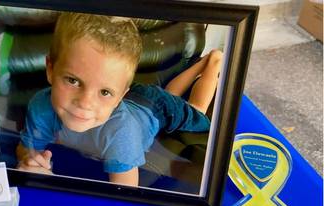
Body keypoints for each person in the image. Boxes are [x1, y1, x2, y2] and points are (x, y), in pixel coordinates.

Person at [16, 12, 222, 186]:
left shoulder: (122, 134)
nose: (85, 103)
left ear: (119, 97)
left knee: (196, 110)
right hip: (130, 96)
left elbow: (124, 193)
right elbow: (27, 147)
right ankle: (201, 63)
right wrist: (30, 160)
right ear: (50, 70)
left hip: (154, 106)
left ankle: (214, 60)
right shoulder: (41, 105)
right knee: (170, 93)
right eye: (73, 80)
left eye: (103, 92)